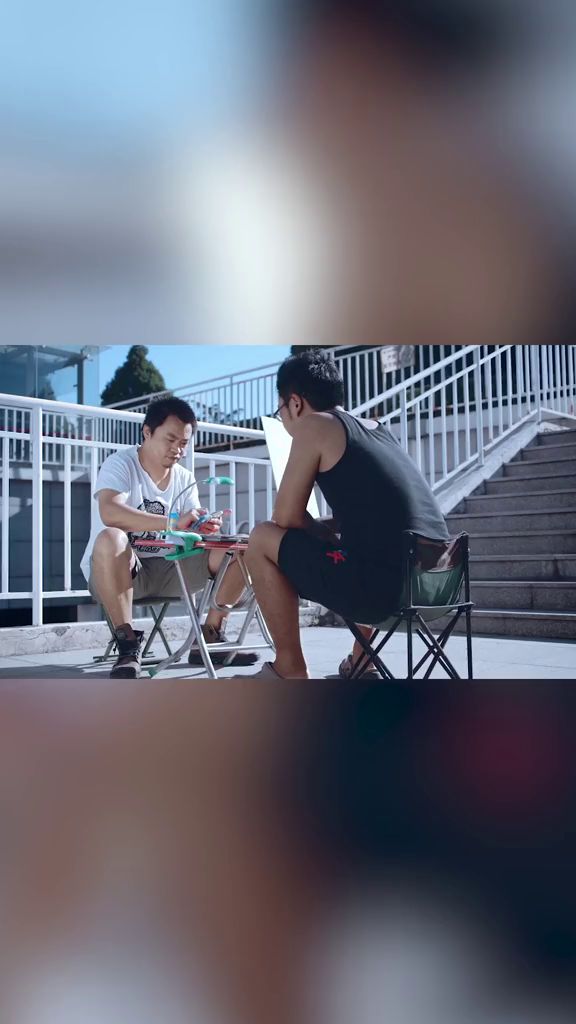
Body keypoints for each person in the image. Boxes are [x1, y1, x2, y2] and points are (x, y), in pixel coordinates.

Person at [244, 350, 449, 679]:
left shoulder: (315, 424)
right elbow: (379, 515)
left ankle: (289, 669)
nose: (283, 419)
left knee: (261, 537)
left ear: (295, 403)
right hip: (439, 582)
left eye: (280, 410)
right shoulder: (377, 429)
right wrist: (326, 531)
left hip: (385, 592)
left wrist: (321, 533)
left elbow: (285, 518)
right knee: (363, 546)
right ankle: (362, 660)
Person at [80, 396, 257, 678]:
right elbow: (109, 512)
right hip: (120, 573)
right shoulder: (120, 463)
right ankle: (127, 647)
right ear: (147, 432)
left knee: (242, 547)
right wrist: (172, 522)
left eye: (184, 443)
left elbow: (189, 533)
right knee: (111, 538)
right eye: (170, 439)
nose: (178, 449)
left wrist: (202, 527)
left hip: (173, 569)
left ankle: (209, 637)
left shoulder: (185, 477)